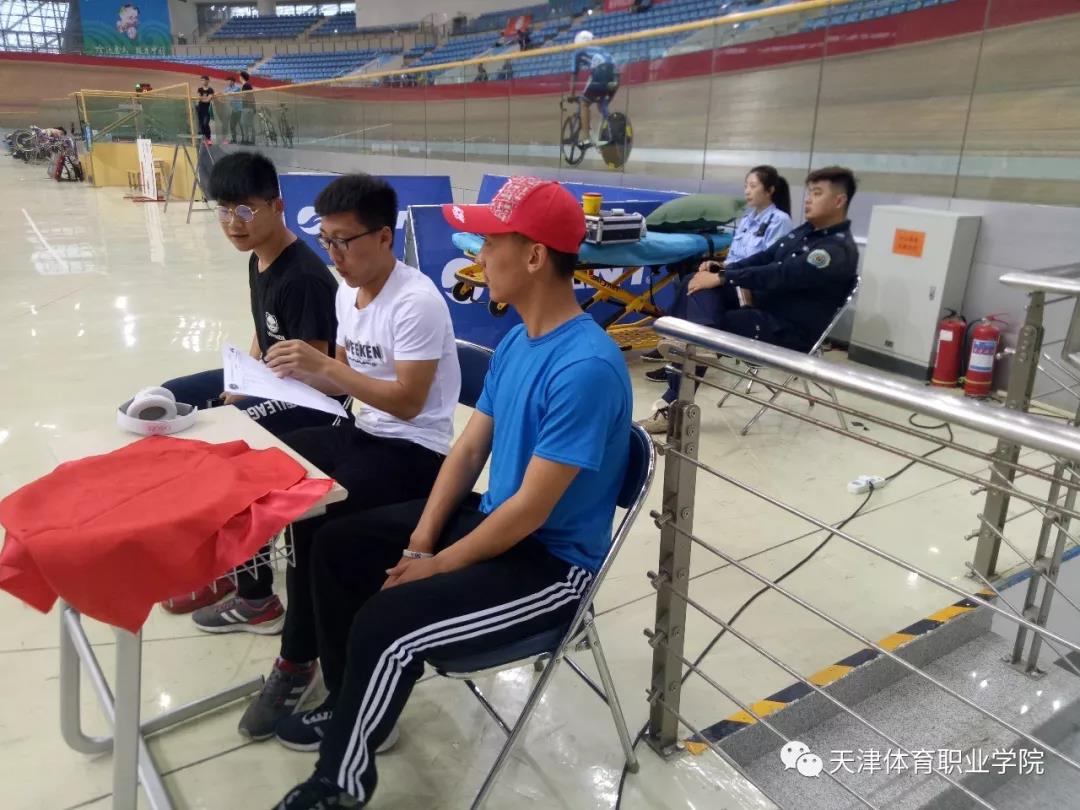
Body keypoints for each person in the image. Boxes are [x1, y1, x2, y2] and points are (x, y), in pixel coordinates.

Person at [269, 175, 631, 810]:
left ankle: (337, 784)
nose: (477, 257)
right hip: (496, 523)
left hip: (550, 566)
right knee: (338, 544)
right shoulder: (518, 339)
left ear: (534, 256)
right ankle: (350, 702)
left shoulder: (586, 368)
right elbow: (468, 451)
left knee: (389, 621)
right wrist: (420, 540)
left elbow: (532, 510)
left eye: (489, 243)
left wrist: (436, 566)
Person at [235, 173, 462, 743]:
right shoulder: (346, 290)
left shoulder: (415, 302)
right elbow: (343, 381)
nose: (334, 255)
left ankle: (336, 685)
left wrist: (326, 369)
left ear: (384, 237)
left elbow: (408, 402)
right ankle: (281, 631)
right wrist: (278, 378)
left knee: (324, 526)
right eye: (326, 241)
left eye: (344, 242)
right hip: (365, 431)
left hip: (417, 452)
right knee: (267, 463)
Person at [158, 151, 342, 617]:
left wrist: (248, 394)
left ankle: (255, 597)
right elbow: (265, 331)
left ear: (277, 206)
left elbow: (317, 369)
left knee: (227, 438)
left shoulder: (302, 278)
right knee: (170, 397)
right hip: (272, 380)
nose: (233, 223)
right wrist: (243, 372)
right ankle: (220, 553)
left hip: (313, 399)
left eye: (245, 209)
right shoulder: (259, 257)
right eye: (224, 210)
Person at [639, 166, 859, 434]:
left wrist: (724, 277)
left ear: (839, 200)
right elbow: (765, 258)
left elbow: (780, 275)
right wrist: (722, 270)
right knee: (694, 284)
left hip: (786, 330)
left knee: (701, 326)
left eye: (817, 193)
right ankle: (695, 343)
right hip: (762, 308)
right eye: (809, 192)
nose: (808, 199)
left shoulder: (836, 250)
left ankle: (679, 387)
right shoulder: (806, 231)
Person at [641, 165, 793, 375]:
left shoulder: (779, 220)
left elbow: (766, 263)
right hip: (733, 277)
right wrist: (716, 266)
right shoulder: (747, 220)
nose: (747, 191)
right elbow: (735, 258)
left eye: (753, 186)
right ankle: (679, 347)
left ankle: (698, 344)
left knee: (698, 289)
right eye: (746, 186)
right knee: (690, 280)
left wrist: (723, 274)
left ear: (770, 190)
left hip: (751, 287)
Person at [571, 30, 619, 150]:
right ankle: (612, 131)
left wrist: (571, 94)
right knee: (601, 103)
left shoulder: (578, 52)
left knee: (584, 102)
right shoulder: (601, 49)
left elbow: (574, 76)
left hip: (600, 72)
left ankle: (586, 139)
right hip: (616, 76)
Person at [224, 75, 243, 144]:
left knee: (241, 125)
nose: (227, 82)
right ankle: (234, 139)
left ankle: (244, 139)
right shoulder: (227, 88)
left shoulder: (237, 87)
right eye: (227, 81)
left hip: (239, 109)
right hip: (233, 109)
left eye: (229, 81)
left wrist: (228, 93)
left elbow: (232, 93)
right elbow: (225, 93)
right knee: (232, 125)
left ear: (232, 81)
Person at [195, 76, 214, 143]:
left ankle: (209, 138)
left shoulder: (210, 90)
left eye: (204, 80)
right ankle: (204, 138)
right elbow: (199, 97)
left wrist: (203, 98)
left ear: (208, 81)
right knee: (201, 124)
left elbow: (208, 100)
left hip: (207, 110)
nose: (202, 81)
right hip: (200, 109)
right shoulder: (199, 89)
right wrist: (205, 98)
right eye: (201, 80)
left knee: (206, 124)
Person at [239, 70, 256, 145]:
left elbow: (244, 96)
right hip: (247, 107)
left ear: (242, 77)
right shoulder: (245, 85)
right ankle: (247, 139)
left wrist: (238, 94)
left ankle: (250, 140)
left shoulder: (246, 85)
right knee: (245, 123)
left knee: (248, 124)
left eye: (240, 76)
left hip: (248, 107)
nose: (239, 77)